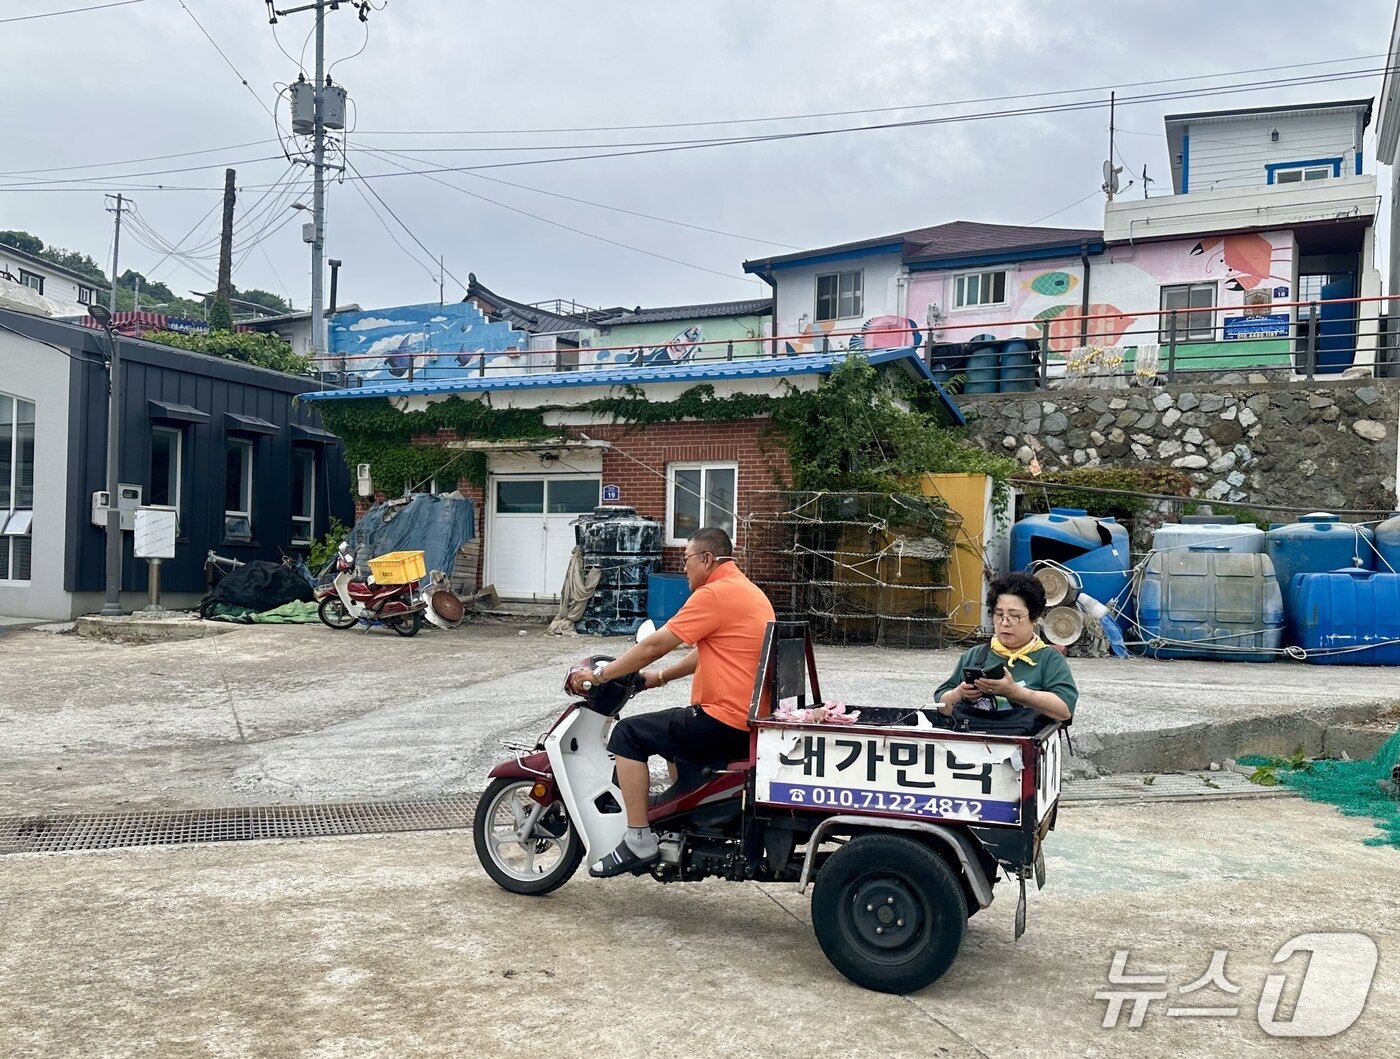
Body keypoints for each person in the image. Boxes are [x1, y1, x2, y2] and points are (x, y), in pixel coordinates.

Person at [566, 526, 775, 878]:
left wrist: (601, 676)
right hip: (747, 719)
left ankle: (637, 840)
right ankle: (677, 818)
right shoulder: (748, 592)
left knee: (629, 735)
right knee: (669, 732)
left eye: (687, 560)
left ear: (707, 559)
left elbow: (654, 645)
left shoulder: (715, 594)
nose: (685, 569)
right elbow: (706, 652)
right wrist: (658, 678)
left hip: (723, 720)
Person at [934, 572, 1077, 730]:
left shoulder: (1049, 659)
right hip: (973, 748)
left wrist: (1015, 692)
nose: (1005, 623)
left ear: (1034, 617)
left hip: (1026, 749)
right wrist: (959, 693)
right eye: (999, 615)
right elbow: (942, 706)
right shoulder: (975, 656)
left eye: (1014, 616)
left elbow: (1065, 710)